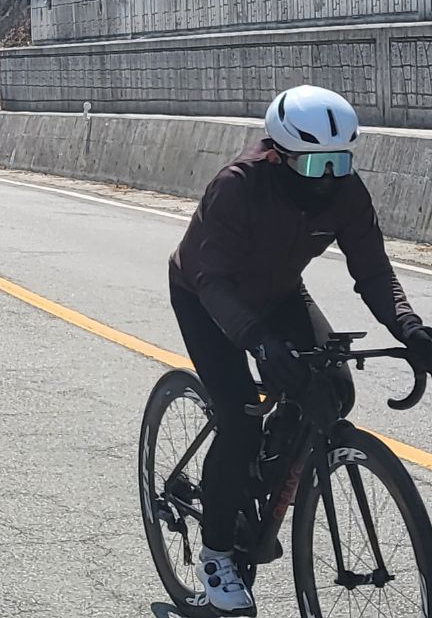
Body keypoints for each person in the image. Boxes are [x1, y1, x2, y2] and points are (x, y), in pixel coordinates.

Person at [169, 85, 432, 615]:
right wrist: (261, 345)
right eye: (315, 164)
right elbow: (212, 280)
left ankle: (268, 467)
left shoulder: (346, 192)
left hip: (280, 293)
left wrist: (411, 329)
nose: (328, 176)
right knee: (241, 420)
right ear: (279, 155)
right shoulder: (238, 186)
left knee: (332, 388)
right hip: (206, 295)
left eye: (340, 161)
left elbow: (374, 271)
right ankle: (217, 553)